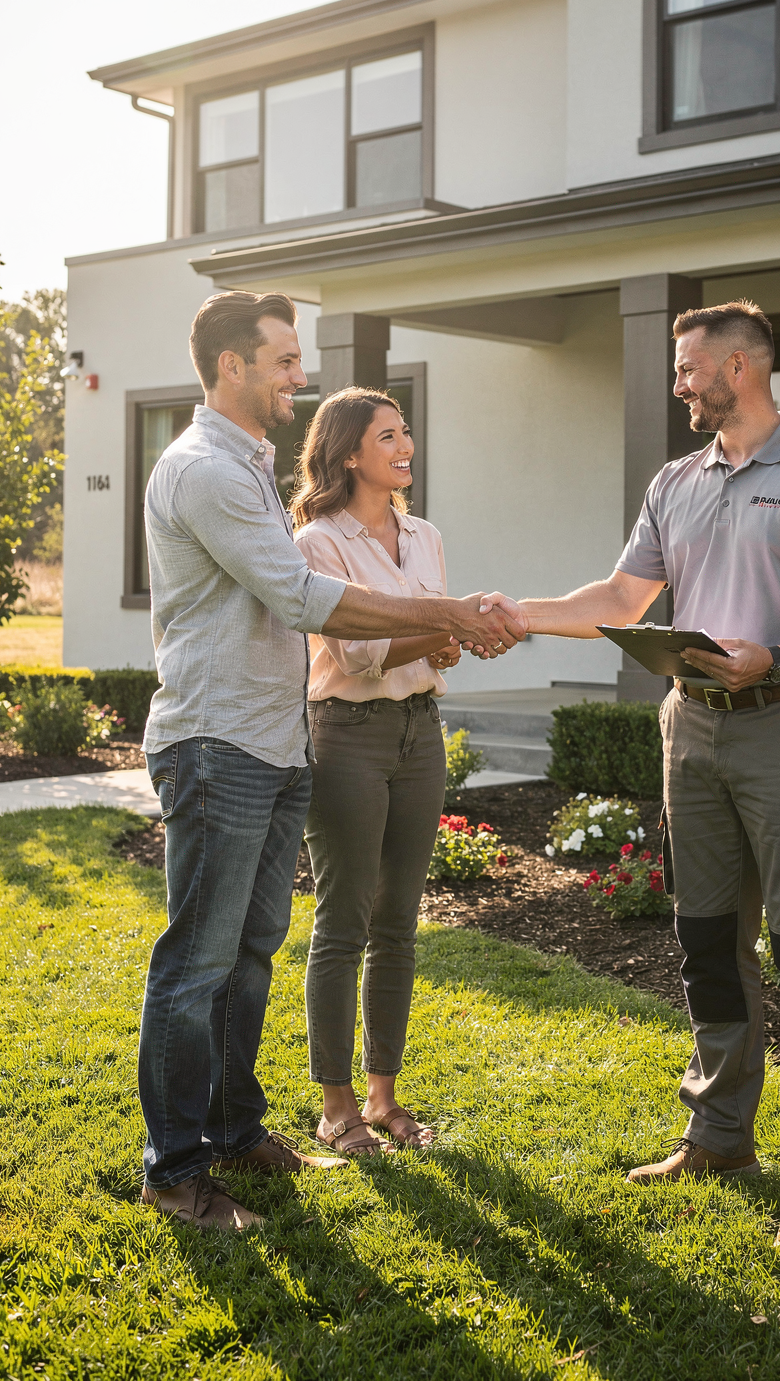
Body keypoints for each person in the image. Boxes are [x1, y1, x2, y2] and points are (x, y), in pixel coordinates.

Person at [511, 300, 780, 1246]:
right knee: (707, 941)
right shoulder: (676, 481)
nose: (678, 382)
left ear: (739, 367)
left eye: (689, 368)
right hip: (690, 731)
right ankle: (721, 1136)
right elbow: (622, 596)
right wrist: (515, 614)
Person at [137, 290, 524, 1232]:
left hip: (274, 743)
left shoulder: (248, 468)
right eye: (282, 359)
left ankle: (235, 1133)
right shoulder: (205, 471)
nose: (299, 375)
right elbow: (305, 598)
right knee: (197, 963)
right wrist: (445, 612)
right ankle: (175, 1171)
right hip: (217, 742)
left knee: (250, 955)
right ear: (231, 365)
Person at [291, 388, 461, 1158]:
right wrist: (447, 625)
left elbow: (433, 644)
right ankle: (336, 1110)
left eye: (405, 432)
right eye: (386, 436)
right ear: (350, 453)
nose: (405, 446)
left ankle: (382, 1097)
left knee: (398, 924)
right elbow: (357, 654)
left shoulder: (425, 536)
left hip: (420, 732)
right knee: (344, 922)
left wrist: (447, 636)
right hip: (347, 737)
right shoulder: (317, 543)